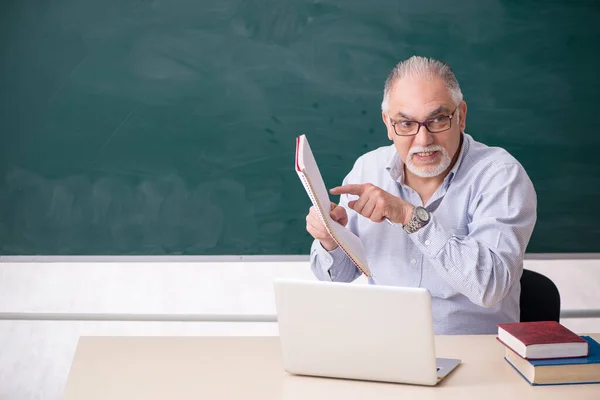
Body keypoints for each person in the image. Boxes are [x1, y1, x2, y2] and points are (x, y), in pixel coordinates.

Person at [306, 56, 537, 335]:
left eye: (438, 120)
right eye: (405, 124)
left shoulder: (500, 175)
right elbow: (339, 277)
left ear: (461, 116)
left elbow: (489, 286)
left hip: (476, 357)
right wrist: (330, 240)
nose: (424, 140)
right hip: (386, 352)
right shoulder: (367, 169)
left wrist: (410, 217)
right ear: (388, 125)